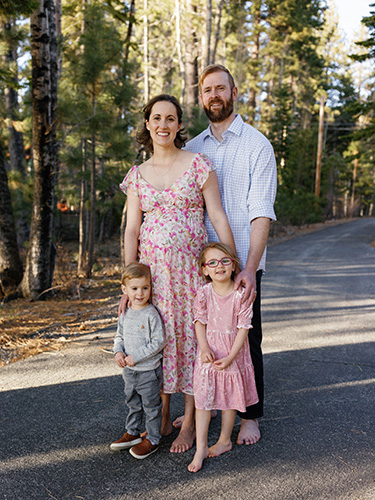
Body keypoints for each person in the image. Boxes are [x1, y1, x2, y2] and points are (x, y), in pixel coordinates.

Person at [119, 94, 236, 453]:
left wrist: (234, 264)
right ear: (147, 125)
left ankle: (187, 421)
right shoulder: (137, 175)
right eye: (156, 118)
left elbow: (216, 216)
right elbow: (131, 230)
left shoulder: (199, 164)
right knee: (157, 338)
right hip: (153, 276)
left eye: (170, 118)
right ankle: (160, 416)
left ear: (179, 125)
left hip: (188, 274)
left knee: (188, 339)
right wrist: (128, 283)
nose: (163, 125)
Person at [183, 64, 277, 445]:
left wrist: (250, 269)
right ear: (201, 97)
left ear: (234, 92)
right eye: (207, 91)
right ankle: (201, 410)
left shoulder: (257, 145)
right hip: (200, 267)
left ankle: (249, 416)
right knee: (203, 338)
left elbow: (261, 211)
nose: (214, 96)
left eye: (221, 89)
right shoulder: (191, 149)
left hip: (240, 268)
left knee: (244, 339)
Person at [188, 242, 258, 473]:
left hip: (232, 353)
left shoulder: (241, 295)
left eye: (225, 261)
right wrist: (204, 347)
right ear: (205, 270)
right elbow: (200, 321)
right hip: (209, 353)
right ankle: (200, 447)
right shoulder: (204, 292)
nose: (220, 266)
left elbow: (244, 328)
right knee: (203, 400)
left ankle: (224, 440)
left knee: (229, 398)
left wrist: (231, 357)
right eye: (213, 262)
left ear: (233, 265)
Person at [110, 262, 166, 459]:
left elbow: (158, 342)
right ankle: (132, 432)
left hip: (148, 371)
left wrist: (137, 356)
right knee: (132, 403)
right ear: (125, 290)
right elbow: (119, 337)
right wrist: (118, 352)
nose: (140, 293)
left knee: (151, 406)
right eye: (134, 289)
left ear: (151, 288)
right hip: (129, 372)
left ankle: (153, 438)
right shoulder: (125, 313)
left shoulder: (151, 314)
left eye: (145, 288)